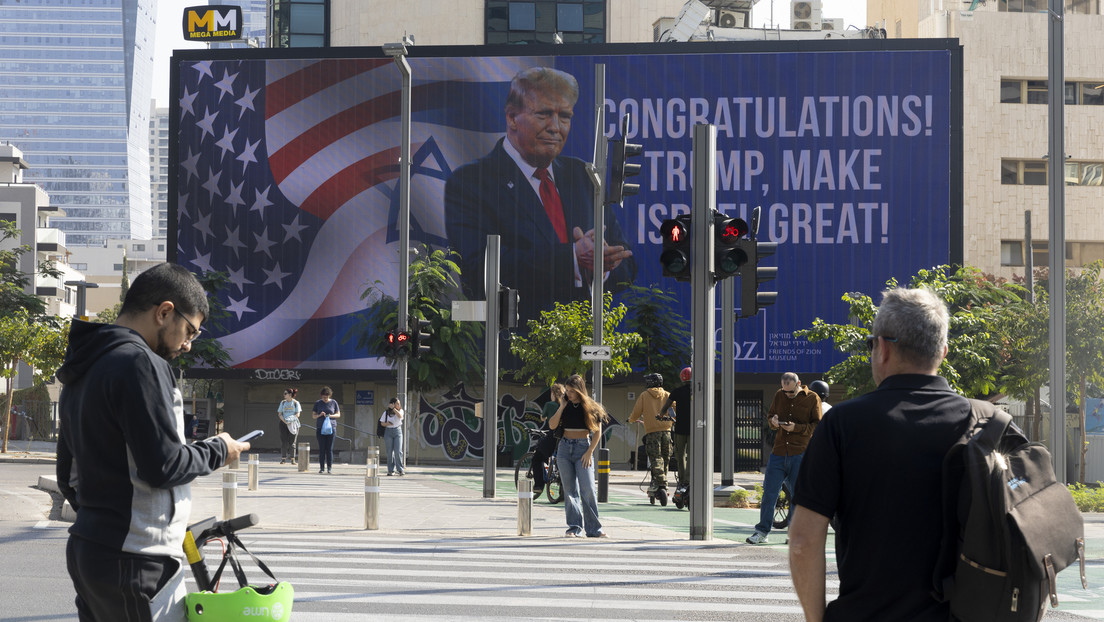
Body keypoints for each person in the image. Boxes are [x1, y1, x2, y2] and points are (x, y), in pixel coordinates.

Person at [55, 262, 249, 622]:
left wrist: (102, 520)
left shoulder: (81, 367)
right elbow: (164, 466)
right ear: (164, 312)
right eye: (190, 330)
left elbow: (67, 473)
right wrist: (220, 448)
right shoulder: (141, 363)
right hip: (137, 558)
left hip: (90, 550)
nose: (188, 345)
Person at [789, 287, 972, 621]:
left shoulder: (842, 425)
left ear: (883, 348)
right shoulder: (988, 424)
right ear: (942, 351)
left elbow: (803, 541)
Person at [445, 66, 636, 327]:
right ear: (512, 117)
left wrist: (600, 266)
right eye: (544, 114)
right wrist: (572, 258)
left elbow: (626, 268)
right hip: (510, 353)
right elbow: (479, 269)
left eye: (565, 116)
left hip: (581, 352)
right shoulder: (471, 182)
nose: (556, 128)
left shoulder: (583, 176)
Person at [746, 372, 821, 545]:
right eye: (785, 391)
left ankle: (793, 533)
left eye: (790, 391)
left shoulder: (812, 398)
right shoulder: (779, 395)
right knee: (769, 494)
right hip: (779, 451)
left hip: (800, 451)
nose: (787, 394)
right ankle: (762, 532)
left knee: (797, 495)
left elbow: (817, 425)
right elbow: (770, 416)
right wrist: (773, 421)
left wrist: (796, 428)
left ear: (799, 384)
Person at [548, 373, 610, 538]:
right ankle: (574, 528)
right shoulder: (564, 405)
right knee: (569, 490)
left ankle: (594, 529)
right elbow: (552, 425)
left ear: (580, 391)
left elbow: (597, 432)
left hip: (583, 448)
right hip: (564, 449)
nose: (568, 394)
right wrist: (561, 407)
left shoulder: (591, 407)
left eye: (572, 391)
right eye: (567, 390)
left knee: (588, 489)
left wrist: (589, 452)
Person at [628, 372, 674, 506]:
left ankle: (661, 483)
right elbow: (675, 410)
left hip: (652, 432)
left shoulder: (644, 395)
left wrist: (631, 419)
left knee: (655, 458)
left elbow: (636, 412)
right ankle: (662, 481)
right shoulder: (668, 395)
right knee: (666, 458)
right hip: (667, 431)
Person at [661, 366, 693, 490]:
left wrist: (661, 415)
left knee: (680, 455)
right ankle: (690, 480)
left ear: (682, 378)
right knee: (691, 455)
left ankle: (682, 480)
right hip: (694, 430)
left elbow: (665, 408)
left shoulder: (677, 392)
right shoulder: (697, 392)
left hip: (680, 429)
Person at [532, 383, 566, 495]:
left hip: (553, 436)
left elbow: (542, 418)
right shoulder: (566, 405)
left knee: (537, 458)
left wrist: (545, 416)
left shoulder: (549, 404)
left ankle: (539, 485)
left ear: (552, 393)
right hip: (564, 438)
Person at [312, 386, 340, 474]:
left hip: (331, 428)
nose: (325, 399)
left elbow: (338, 414)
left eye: (327, 397)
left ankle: (329, 468)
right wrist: (320, 415)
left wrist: (330, 415)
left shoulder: (334, 402)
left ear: (330, 396)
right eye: (324, 397)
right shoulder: (318, 403)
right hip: (320, 428)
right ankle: (321, 468)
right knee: (322, 448)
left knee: (329, 449)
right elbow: (313, 416)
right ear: (321, 396)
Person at [379, 397, 406, 476]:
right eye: (397, 403)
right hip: (388, 432)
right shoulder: (386, 412)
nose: (399, 405)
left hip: (398, 431)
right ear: (393, 404)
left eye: (399, 403)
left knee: (398, 451)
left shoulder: (400, 411)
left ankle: (400, 469)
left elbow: (400, 416)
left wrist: (394, 409)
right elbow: (382, 423)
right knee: (389, 452)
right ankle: (390, 470)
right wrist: (387, 423)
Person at [277, 388, 301, 464]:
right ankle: (283, 458)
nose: (284, 395)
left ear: (290, 395)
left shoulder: (296, 403)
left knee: (292, 442)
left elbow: (298, 414)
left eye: (285, 393)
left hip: (293, 423)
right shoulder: (283, 402)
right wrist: (285, 421)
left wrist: (290, 420)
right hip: (283, 423)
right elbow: (280, 414)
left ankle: (292, 459)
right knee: (284, 441)